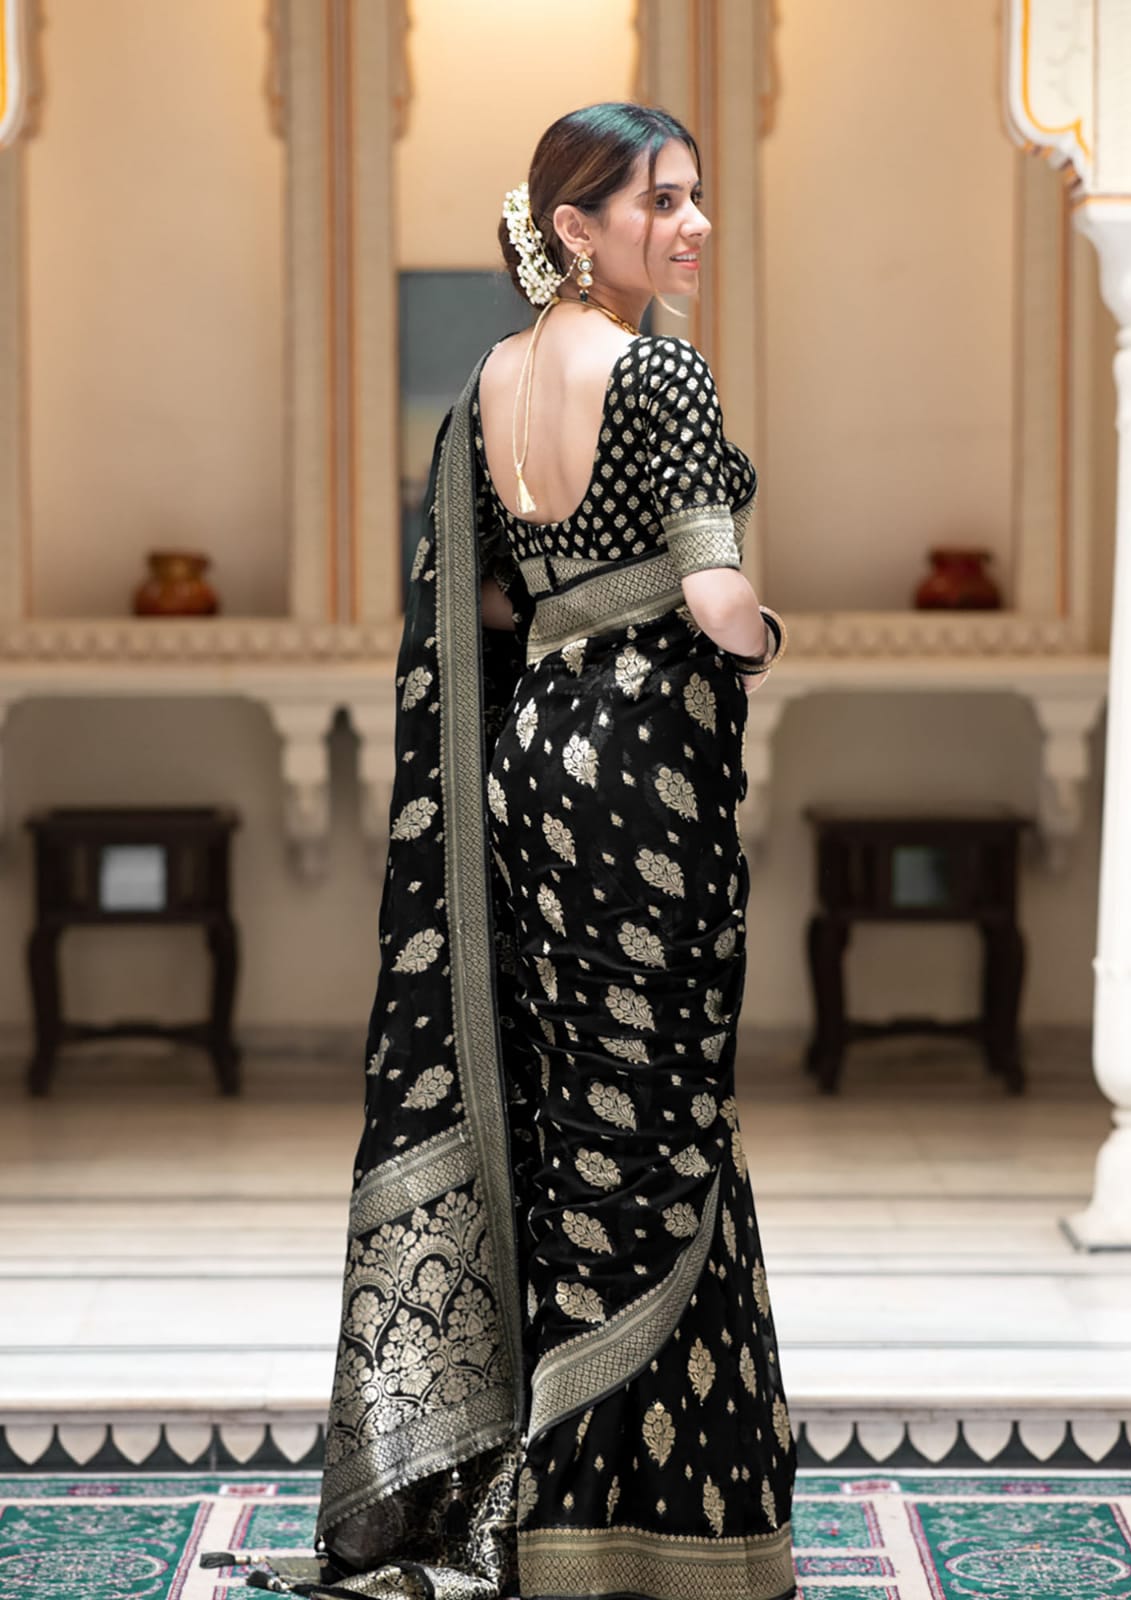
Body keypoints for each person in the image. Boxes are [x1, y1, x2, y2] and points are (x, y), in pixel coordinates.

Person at [205, 101, 796, 1600]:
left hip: (532, 768)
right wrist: (760, 635)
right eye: (661, 203)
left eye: (697, 196)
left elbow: (480, 621)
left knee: (563, 1112)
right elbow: (718, 596)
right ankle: (653, 1526)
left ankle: (542, 1513)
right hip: (642, 785)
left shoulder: (485, 386)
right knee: (657, 1131)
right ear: (577, 228)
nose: (692, 225)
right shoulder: (659, 372)